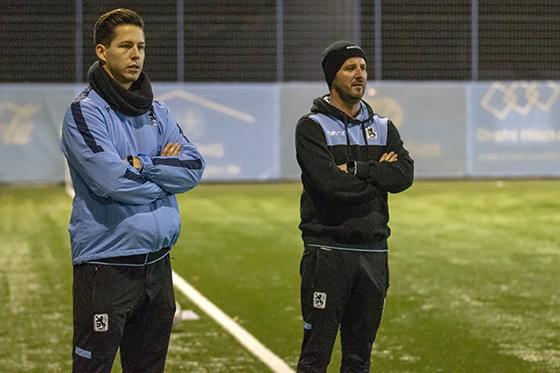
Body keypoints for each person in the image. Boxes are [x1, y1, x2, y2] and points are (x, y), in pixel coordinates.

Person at [60, 8, 205, 372]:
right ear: (101, 52)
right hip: (107, 267)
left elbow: (193, 168)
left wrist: (142, 164)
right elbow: (111, 180)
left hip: (157, 266)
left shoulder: (158, 110)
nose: (136, 54)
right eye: (125, 46)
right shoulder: (85, 112)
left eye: (140, 46)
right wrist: (160, 173)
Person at [295, 41, 414, 372]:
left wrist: (359, 170)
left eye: (362, 67)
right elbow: (330, 186)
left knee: (360, 358)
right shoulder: (311, 127)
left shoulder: (384, 126)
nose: (359, 74)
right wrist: (379, 175)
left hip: (374, 251)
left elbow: (404, 174)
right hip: (328, 250)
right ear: (333, 77)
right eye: (350, 68)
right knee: (315, 355)